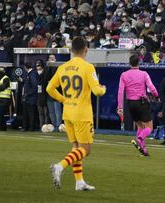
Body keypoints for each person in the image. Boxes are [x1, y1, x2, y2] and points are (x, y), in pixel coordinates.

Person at [47, 37, 106, 191]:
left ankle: (79, 182)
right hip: (82, 114)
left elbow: (49, 88)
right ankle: (60, 166)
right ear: (86, 49)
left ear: (71, 50)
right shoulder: (88, 67)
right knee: (86, 149)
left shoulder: (63, 67)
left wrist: (63, 99)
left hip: (68, 113)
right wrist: (103, 88)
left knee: (76, 148)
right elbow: (97, 91)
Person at [117, 54, 159, 157]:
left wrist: (120, 107)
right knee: (149, 127)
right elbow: (151, 87)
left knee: (139, 125)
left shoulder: (124, 75)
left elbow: (120, 91)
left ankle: (143, 150)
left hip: (130, 103)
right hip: (142, 102)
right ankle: (140, 138)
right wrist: (156, 96)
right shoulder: (144, 74)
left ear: (129, 63)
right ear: (138, 63)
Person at [20, 63, 38, 132]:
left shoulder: (32, 74)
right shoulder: (29, 74)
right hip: (28, 98)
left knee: (31, 114)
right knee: (26, 113)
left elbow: (34, 86)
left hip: (30, 98)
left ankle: (31, 128)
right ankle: (26, 127)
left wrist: (27, 94)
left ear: (26, 67)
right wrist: (22, 81)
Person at [36, 60, 50, 129]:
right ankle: (42, 126)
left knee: (46, 113)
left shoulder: (45, 73)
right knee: (40, 114)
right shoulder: (35, 74)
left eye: (39, 66)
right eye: (37, 66)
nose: (38, 67)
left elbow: (44, 82)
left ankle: (46, 126)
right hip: (39, 96)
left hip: (45, 96)